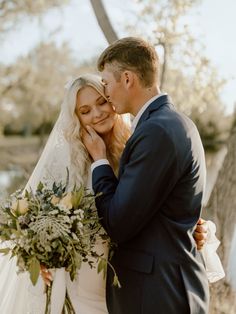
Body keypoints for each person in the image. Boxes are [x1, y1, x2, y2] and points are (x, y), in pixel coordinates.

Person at [0, 74, 207, 313]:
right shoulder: (70, 165)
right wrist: (38, 255)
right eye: (85, 111)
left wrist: (192, 225)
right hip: (81, 287)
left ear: (112, 100)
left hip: (130, 282)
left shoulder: (139, 146)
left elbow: (155, 206)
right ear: (76, 118)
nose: (97, 113)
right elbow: (31, 221)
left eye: (101, 102)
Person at [81, 37, 210, 314]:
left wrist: (100, 161)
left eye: (106, 82)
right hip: (162, 288)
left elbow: (118, 222)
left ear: (127, 79)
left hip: (156, 293)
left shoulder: (157, 131)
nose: (105, 93)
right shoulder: (172, 123)